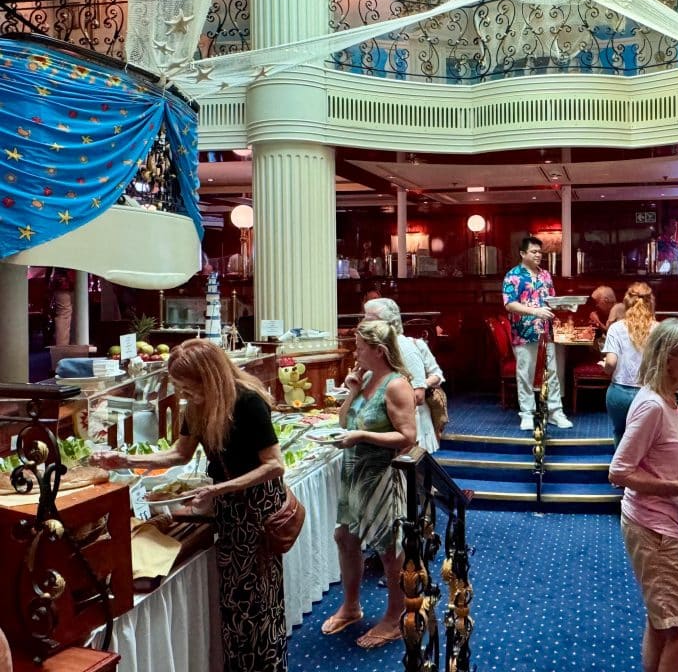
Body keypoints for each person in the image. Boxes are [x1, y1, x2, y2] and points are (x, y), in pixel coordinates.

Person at [90, 339, 289, 671]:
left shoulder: (248, 402)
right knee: (235, 597)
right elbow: (179, 454)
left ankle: (265, 664)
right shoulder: (197, 406)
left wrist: (219, 490)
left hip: (255, 507)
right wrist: (124, 458)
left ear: (208, 378)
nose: (184, 395)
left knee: (258, 598)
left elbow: (274, 465)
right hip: (228, 505)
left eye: (188, 387)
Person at [609, 318, 678, 672]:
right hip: (653, 528)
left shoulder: (666, 400)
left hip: (659, 523)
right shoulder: (653, 405)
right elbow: (619, 472)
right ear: (668, 357)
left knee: (663, 623)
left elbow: (658, 458)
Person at [322, 320, 417, 647]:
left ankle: (395, 617)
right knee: (345, 537)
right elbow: (344, 420)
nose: (354, 351)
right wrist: (351, 393)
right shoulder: (364, 379)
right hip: (354, 472)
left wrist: (363, 435)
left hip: (381, 474)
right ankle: (351, 606)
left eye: (359, 346)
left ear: (378, 350)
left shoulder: (396, 385)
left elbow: (407, 437)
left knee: (389, 549)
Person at [502, 236, 572, 430]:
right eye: (534, 252)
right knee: (525, 373)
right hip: (523, 332)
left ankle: (555, 412)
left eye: (540, 252)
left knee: (552, 373)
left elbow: (551, 300)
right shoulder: (513, 276)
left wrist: (566, 305)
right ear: (522, 253)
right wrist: (535, 311)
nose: (538, 255)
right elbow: (509, 304)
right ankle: (527, 413)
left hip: (545, 332)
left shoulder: (545, 276)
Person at [362, 298, 436, 451]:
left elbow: (419, 395)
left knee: (411, 475)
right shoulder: (382, 347)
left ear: (386, 322)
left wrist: (381, 407)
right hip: (390, 432)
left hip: (409, 432)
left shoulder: (404, 347)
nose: (363, 322)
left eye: (369, 318)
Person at [600, 282, 656, 446]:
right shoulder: (659, 329)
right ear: (650, 303)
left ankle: (620, 469)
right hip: (649, 393)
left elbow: (611, 362)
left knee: (620, 432)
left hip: (620, 392)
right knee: (647, 438)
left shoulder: (616, 328)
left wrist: (605, 368)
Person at [48, 267, 74, 346]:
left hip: (62, 279)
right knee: (67, 313)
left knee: (64, 313)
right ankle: (64, 347)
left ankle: (62, 346)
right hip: (67, 278)